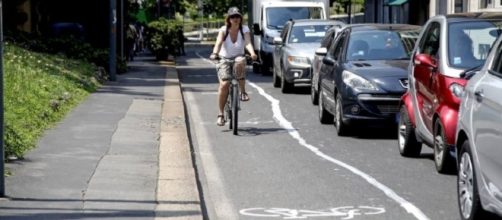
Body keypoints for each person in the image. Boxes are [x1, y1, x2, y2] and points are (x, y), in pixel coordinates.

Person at [210, 6, 258, 126]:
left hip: (238, 56)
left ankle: (242, 92)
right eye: (233, 17)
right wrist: (215, 53)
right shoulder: (223, 29)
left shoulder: (244, 29)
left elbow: (247, 42)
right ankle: (220, 114)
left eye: (237, 16)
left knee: (240, 61)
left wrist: (252, 53)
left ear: (240, 18)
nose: (235, 19)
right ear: (229, 19)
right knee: (224, 84)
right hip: (224, 58)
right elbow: (219, 42)